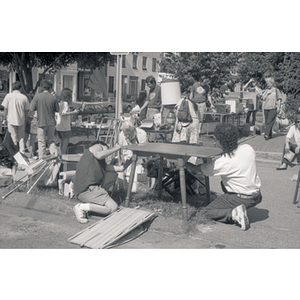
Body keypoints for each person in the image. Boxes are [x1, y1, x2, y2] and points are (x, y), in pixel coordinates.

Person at [184, 123, 262, 230]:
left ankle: (233, 214)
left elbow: (199, 169)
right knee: (224, 182)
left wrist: (183, 164)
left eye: (215, 140)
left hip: (242, 197)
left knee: (207, 212)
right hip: (256, 195)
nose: (214, 142)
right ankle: (235, 206)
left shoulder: (223, 162)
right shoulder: (247, 148)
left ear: (220, 141)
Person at [73, 141, 124, 224]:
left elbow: (116, 168)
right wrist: (115, 148)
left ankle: (86, 207)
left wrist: (125, 165)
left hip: (84, 189)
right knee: (113, 208)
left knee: (112, 207)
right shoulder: (97, 146)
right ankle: (81, 207)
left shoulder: (97, 162)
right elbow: (99, 154)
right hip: (88, 188)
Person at [29, 80, 60, 158]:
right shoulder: (53, 98)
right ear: (50, 88)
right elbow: (57, 109)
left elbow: (32, 108)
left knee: (41, 141)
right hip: (51, 122)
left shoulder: (37, 97)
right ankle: (54, 155)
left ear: (42, 88)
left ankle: (42, 158)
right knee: (51, 141)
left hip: (41, 122)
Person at [2, 81, 30, 154]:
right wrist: (26, 120)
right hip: (21, 119)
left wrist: (4, 118)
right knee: (21, 137)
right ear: (20, 88)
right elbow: (26, 110)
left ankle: (14, 152)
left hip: (11, 119)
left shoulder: (8, 96)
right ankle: (22, 151)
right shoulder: (24, 97)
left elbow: (5, 108)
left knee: (13, 137)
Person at [56, 88, 80, 154]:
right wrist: (74, 112)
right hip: (65, 127)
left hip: (59, 126)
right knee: (65, 144)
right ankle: (62, 157)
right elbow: (64, 114)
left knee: (61, 143)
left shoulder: (59, 103)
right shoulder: (65, 103)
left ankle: (59, 156)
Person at [139, 76, 161, 142]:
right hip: (149, 109)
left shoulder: (159, 89)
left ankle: (152, 140)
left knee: (153, 125)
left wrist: (161, 110)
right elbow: (147, 100)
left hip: (155, 109)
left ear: (153, 83)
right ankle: (148, 139)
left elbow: (162, 100)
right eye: (148, 85)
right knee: (147, 125)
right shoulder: (150, 90)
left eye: (149, 84)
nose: (149, 86)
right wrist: (142, 108)